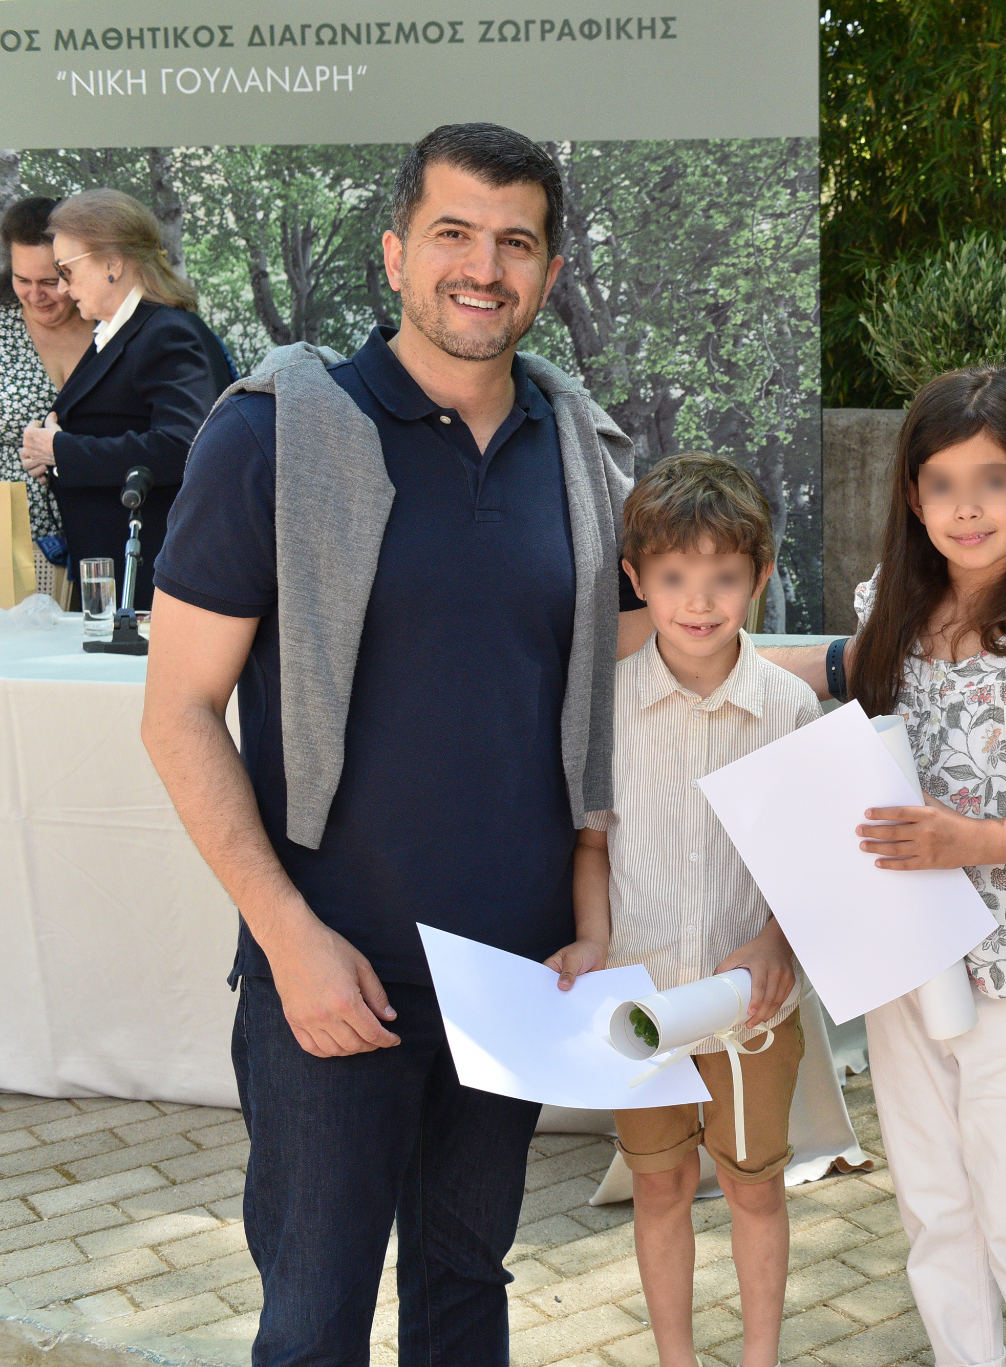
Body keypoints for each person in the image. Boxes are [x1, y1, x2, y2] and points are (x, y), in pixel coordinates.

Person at [140, 123, 646, 1367]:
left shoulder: (585, 457)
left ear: (549, 271)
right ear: (395, 253)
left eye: (515, 243)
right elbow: (178, 711)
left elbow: (641, 689)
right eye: (452, 233)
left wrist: (869, 663)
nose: (483, 267)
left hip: (516, 974)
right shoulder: (271, 436)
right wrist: (288, 936)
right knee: (314, 1322)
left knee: (466, 1297)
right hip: (334, 969)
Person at [822, 364, 1006, 1367]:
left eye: (991, 481)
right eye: (942, 483)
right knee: (935, 1214)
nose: (966, 508)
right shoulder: (891, 612)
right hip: (908, 964)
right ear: (912, 496)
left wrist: (971, 841)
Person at [546, 452, 820, 1367]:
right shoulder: (605, 709)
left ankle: (760, 1357)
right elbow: (593, 847)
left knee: (755, 1188)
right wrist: (592, 940)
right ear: (636, 577)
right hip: (642, 1000)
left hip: (753, 1008)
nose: (698, 603)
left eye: (723, 578)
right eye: (672, 578)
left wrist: (776, 940)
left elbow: (812, 862)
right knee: (659, 1188)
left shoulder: (789, 707)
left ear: (761, 576)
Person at [19, 189, 233, 607]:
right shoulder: (120, 335)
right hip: (119, 577)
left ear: (112, 264)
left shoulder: (167, 333)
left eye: (65, 270)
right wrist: (54, 458)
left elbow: (185, 446)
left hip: (155, 581)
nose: (61, 287)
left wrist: (62, 451)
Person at [0, 196, 93, 573]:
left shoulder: (110, 325)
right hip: (11, 545)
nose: (35, 295)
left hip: (104, 531)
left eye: (50, 282)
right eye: (22, 280)